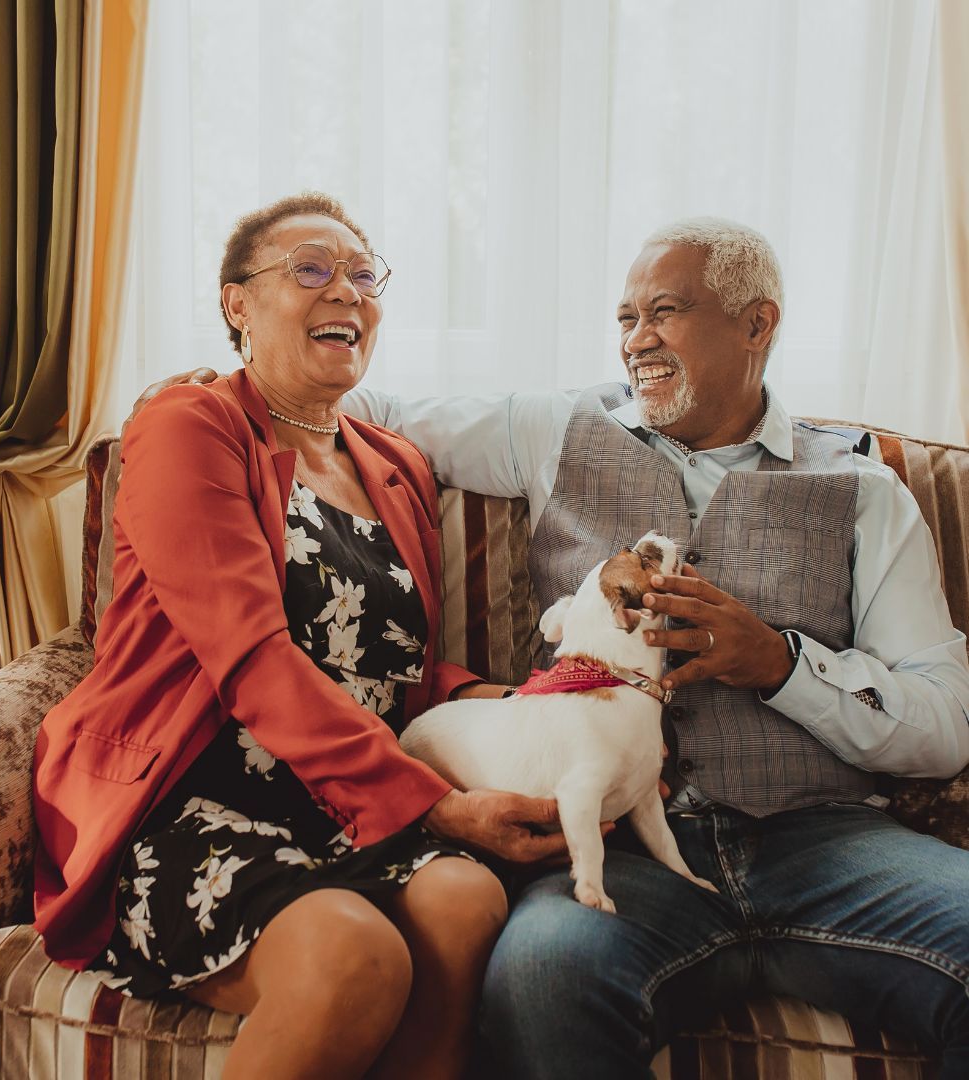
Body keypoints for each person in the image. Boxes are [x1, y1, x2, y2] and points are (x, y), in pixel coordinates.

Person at [157, 216, 969, 1077]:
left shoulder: (867, 490)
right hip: (615, 841)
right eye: (625, 319)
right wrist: (218, 394)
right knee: (540, 978)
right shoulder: (557, 430)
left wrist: (781, 664)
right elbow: (355, 408)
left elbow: (946, 721)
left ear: (757, 324)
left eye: (665, 312)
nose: (637, 341)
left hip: (827, 842)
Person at [32, 192, 577, 1080]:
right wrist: (437, 803)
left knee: (465, 901)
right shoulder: (190, 427)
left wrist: (536, 705)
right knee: (351, 952)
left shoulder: (394, 463)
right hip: (186, 789)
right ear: (237, 304)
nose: (347, 293)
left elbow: (392, 673)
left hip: (340, 798)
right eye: (311, 270)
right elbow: (251, 657)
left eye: (364, 275)